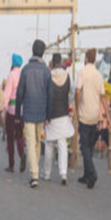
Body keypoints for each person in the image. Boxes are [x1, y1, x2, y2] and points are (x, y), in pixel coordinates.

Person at [15, 39, 53, 188]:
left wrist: (18, 113)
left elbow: (19, 93)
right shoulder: (46, 71)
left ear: (32, 50)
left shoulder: (25, 70)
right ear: (43, 52)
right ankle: (34, 172)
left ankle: (34, 173)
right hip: (42, 112)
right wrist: (48, 115)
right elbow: (50, 95)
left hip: (29, 111)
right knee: (37, 142)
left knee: (31, 143)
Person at [75, 48, 106, 188]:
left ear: (86, 58)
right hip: (95, 115)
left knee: (84, 146)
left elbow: (77, 91)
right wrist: (107, 113)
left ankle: (92, 173)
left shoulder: (82, 72)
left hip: (84, 113)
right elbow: (103, 96)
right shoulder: (99, 75)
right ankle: (87, 176)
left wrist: (77, 107)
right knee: (89, 146)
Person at [43, 52, 73, 184]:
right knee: (62, 144)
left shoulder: (49, 76)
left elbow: (45, 95)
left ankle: (47, 173)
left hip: (51, 114)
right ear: (60, 62)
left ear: (52, 63)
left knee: (49, 144)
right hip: (63, 113)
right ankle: (63, 174)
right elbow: (70, 94)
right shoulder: (67, 76)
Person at [2, 54, 26, 173]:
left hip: (11, 110)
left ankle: (11, 165)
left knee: (10, 138)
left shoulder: (11, 75)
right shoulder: (23, 74)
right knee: (20, 136)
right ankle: (22, 154)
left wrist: (3, 110)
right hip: (21, 110)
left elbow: (7, 94)